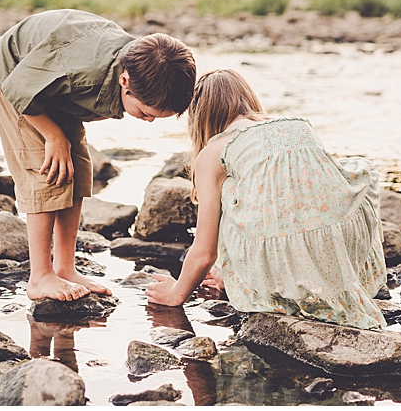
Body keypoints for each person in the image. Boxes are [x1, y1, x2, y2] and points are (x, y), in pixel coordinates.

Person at [145, 69, 387, 329]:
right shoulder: (296, 126)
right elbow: (301, 205)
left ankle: (256, 278)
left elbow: (205, 252)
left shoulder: (214, 151)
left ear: (200, 117)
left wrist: (176, 293)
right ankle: (246, 275)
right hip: (339, 245)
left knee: (233, 192)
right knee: (277, 191)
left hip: (287, 255)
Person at [0, 9, 196, 301]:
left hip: (54, 90)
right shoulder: (81, 71)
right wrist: (53, 135)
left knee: (76, 167)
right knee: (47, 171)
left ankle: (65, 267)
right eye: (146, 113)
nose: (148, 121)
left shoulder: (147, 69)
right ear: (125, 82)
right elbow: (20, 90)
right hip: (15, 78)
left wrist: (65, 138)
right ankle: (39, 277)